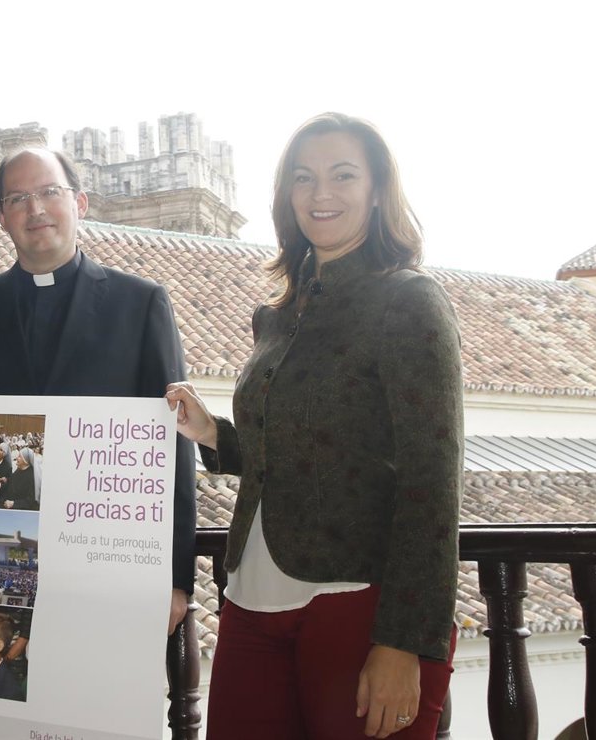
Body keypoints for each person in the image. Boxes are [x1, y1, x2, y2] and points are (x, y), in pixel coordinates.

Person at [167, 112, 463, 740]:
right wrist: (215, 434)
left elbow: (432, 483)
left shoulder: (410, 302)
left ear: (377, 190)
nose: (320, 193)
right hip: (252, 597)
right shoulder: (277, 316)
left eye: (342, 175)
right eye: (304, 178)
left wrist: (404, 642)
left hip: (358, 603)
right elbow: (305, 448)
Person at [0, 147, 197, 635]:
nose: (35, 209)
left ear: (80, 203)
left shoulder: (141, 304)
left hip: (108, 560)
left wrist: (176, 579)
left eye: (49, 192)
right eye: (18, 198)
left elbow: (174, 445)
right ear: (1, 216)